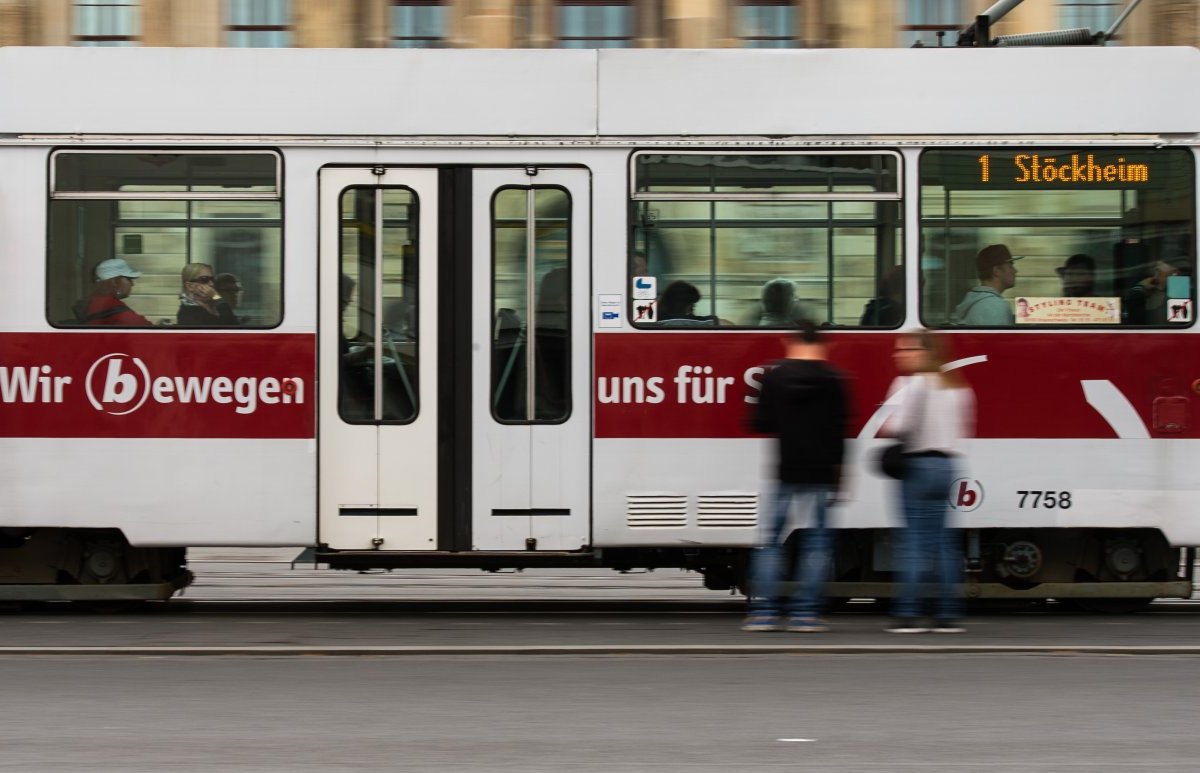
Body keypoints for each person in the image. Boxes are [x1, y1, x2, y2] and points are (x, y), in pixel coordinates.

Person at [742, 321, 850, 633]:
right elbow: (840, 434)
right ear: (822, 343)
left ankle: (764, 612)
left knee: (771, 543)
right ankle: (805, 614)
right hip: (820, 472)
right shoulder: (834, 379)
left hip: (785, 470)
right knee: (816, 545)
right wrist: (841, 477)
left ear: (791, 340)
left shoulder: (776, 376)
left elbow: (759, 423)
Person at [884, 330, 975, 634]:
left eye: (907, 349)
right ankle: (947, 614)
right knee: (943, 543)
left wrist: (888, 421)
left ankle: (909, 613)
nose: (900, 354)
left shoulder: (912, 384)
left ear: (925, 352)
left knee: (912, 542)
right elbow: (964, 427)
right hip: (946, 465)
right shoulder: (956, 385)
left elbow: (900, 425)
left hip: (918, 465)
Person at [954, 244, 1020, 325]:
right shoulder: (996, 306)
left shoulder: (975, 301)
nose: (1015, 271)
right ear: (997, 271)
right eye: (1010, 266)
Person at [78, 258, 154, 326]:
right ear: (115, 282)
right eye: (128, 279)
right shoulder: (111, 305)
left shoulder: (94, 302)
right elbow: (146, 328)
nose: (132, 284)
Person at [1123, 257, 1190, 325]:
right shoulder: (1180, 291)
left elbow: (1137, 322)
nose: (1155, 277)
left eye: (1159, 273)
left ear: (1175, 274)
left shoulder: (1180, 295)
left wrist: (1138, 290)